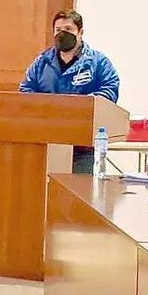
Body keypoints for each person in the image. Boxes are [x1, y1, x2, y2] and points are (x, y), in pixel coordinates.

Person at [19, 9, 120, 174]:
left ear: (80, 33)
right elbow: (25, 90)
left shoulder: (98, 62)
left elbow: (110, 89)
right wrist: (44, 106)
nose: (62, 34)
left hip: (83, 143)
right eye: (58, 30)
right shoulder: (41, 62)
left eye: (68, 29)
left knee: (81, 187)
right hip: (46, 141)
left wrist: (80, 106)